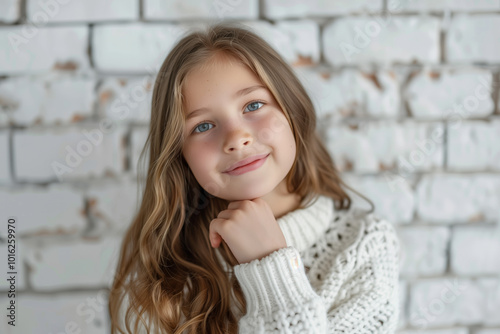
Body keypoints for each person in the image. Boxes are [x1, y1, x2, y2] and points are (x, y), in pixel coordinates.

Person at [108, 22, 400, 334]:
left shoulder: (366, 248)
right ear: (181, 155)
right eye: (203, 126)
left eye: (253, 105)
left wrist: (269, 265)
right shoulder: (164, 278)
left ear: (292, 110)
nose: (236, 137)